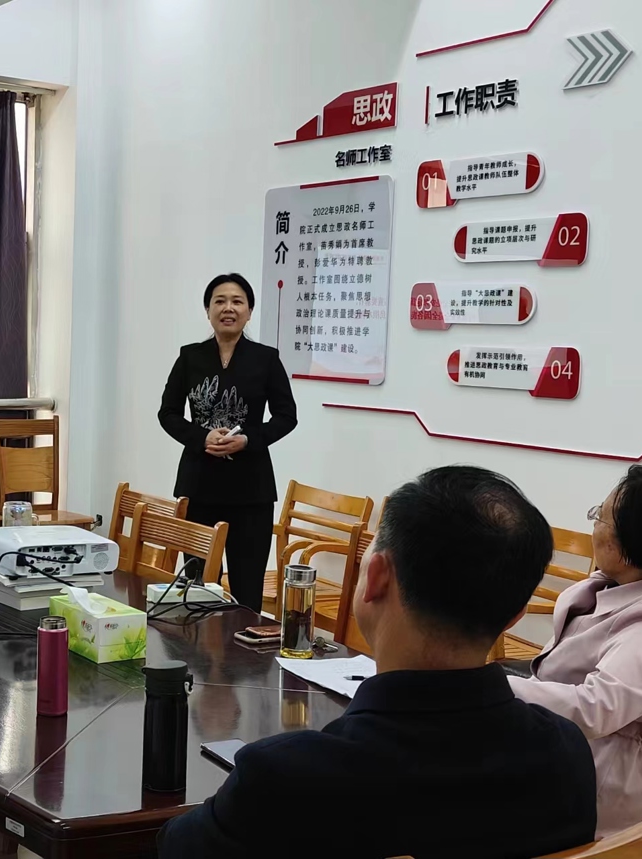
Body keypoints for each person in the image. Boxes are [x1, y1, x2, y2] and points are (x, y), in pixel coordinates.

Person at [158, 466, 598, 859]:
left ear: (377, 577)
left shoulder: (288, 778)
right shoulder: (565, 755)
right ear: (516, 614)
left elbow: (172, 846)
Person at [508, 465, 642, 837]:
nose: (594, 526)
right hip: (569, 751)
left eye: (600, 517)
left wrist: (497, 688)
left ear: (631, 545)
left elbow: (597, 708)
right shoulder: (628, 583)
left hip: (605, 789)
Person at [157, 273, 298, 612]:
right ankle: (199, 645)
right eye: (219, 301)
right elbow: (168, 413)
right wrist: (201, 436)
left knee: (247, 587)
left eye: (237, 301)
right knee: (198, 586)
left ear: (249, 312)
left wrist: (248, 440)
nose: (228, 308)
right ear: (208, 310)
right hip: (198, 486)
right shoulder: (189, 357)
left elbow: (286, 416)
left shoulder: (266, 359)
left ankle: (244, 648)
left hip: (251, 492)